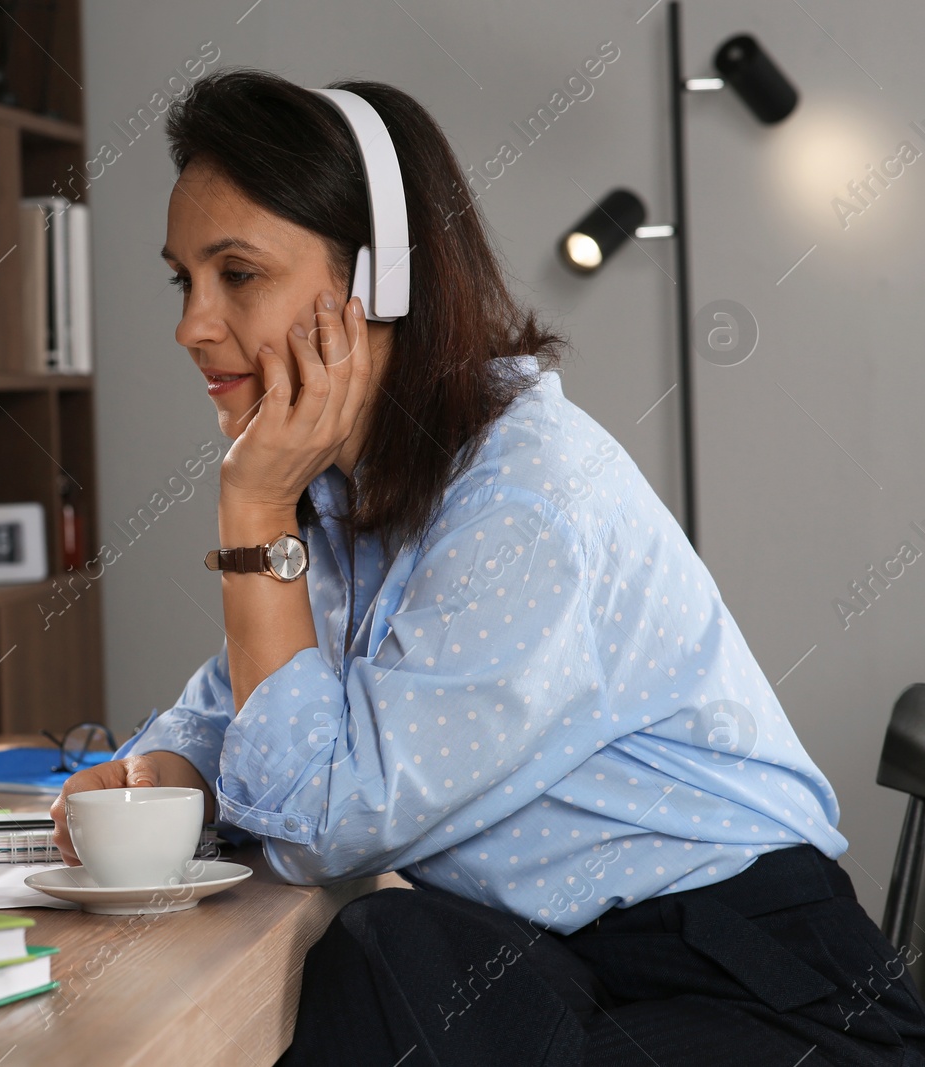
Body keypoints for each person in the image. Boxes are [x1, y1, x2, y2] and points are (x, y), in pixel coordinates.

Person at [48, 68, 925, 1065]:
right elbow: (242, 714)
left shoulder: (520, 494)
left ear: (379, 284)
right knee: (385, 949)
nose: (191, 325)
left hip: (764, 989)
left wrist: (251, 510)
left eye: (236, 274)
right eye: (183, 278)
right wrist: (167, 773)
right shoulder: (346, 497)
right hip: (588, 958)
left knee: (375, 973)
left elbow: (324, 818)